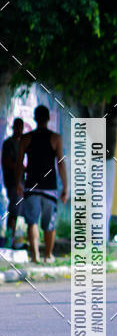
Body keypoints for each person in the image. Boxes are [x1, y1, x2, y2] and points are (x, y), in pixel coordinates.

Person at [15, 106, 68, 264]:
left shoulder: (26, 138)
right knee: (48, 223)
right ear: (48, 119)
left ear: (35, 118)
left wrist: (19, 182)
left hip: (31, 185)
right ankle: (48, 255)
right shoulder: (56, 138)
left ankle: (35, 254)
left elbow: (19, 163)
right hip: (49, 187)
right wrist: (65, 187)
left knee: (32, 221)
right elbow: (60, 163)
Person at [2, 117, 24, 248]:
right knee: (13, 211)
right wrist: (21, 168)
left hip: (20, 181)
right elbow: (8, 162)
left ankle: (12, 238)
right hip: (12, 182)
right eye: (18, 128)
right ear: (14, 128)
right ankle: (10, 239)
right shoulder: (9, 143)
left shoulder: (21, 143)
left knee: (17, 212)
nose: (19, 131)